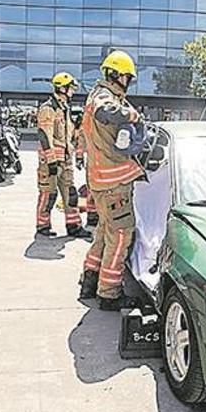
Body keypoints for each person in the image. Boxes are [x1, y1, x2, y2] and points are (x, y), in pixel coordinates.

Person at [78, 50, 147, 311]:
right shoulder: (103, 97)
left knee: (104, 232)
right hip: (113, 183)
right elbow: (105, 112)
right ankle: (109, 293)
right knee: (120, 235)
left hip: (101, 181)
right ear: (118, 75)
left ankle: (90, 279)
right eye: (128, 77)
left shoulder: (97, 94)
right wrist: (133, 116)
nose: (129, 82)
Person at [35, 72, 92, 238]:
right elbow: (44, 135)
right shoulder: (48, 108)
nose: (73, 91)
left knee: (71, 194)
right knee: (49, 194)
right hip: (51, 162)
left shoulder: (64, 109)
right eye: (71, 88)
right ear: (62, 88)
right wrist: (51, 160)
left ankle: (74, 226)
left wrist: (78, 125)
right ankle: (42, 225)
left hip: (66, 161)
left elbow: (68, 136)